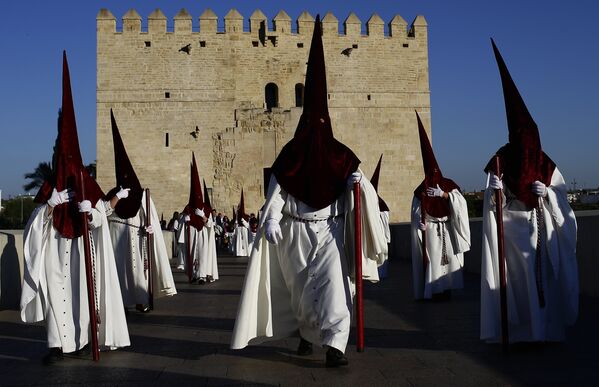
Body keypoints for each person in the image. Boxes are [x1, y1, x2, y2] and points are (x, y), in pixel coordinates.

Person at [230, 16, 388, 368]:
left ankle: (335, 346)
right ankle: (305, 333)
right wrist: (270, 219)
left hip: (329, 229)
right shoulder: (290, 153)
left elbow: (364, 190)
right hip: (295, 230)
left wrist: (356, 187)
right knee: (301, 293)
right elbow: (277, 190)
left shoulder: (342, 155)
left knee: (334, 289)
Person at [20, 52, 130, 364]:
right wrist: (48, 206)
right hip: (55, 248)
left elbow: (101, 216)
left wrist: (91, 211)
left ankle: (80, 340)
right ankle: (56, 344)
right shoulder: (50, 185)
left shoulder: (87, 183)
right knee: (56, 293)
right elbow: (33, 224)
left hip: (82, 249)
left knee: (81, 294)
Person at [480, 40, 578, 343]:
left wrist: (548, 193)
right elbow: (491, 204)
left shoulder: (545, 163)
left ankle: (543, 333)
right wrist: (492, 194)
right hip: (510, 229)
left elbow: (561, 200)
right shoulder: (500, 159)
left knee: (542, 283)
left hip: (538, 226)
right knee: (517, 286)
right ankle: (521, 334)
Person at [104, 110, 177, 312]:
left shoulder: (142, 195)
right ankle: (120, 303)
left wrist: (151, 228)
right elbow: (104, 213)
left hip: (137, 237)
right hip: (116, 236)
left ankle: (140, 300)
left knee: (138, 272)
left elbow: (149, 216)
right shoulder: (113, 194)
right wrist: (117, 197)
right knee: (119, 271)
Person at [410, 113, 471, 300]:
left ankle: (447, 290)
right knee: (435, 262)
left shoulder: (448, 184)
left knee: (449, 261)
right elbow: (416, 211)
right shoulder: (421, 190)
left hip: (447, 228)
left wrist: (445, 195)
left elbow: (461, 202)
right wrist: (420, 225)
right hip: (431, 231)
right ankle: (435, 291)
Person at [178, 154, 218, 283]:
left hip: (202, 235)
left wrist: (204, 217)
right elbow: (181, 221)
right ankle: (193, 274)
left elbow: (211, 224)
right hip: (191, 233)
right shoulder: (188, 208)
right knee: (191, 253)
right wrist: (185, 220)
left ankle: (201, 275)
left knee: (202, 254)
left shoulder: (206, 208)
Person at [369, 154, 391, 279]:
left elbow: (384, 221)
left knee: (382, 256)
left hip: (381, 236)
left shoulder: (381, 204)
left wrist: (386, 237)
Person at [232, 190, 250, 257]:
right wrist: (236, 224)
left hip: (244, 229)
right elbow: (236, 222)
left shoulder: (246, 216)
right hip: (239, 229)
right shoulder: (237, 215)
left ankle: (245, 252)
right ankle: (239, 252)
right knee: (239, 241)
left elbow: (248, 225)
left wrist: (243, 221)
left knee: (244, 240)